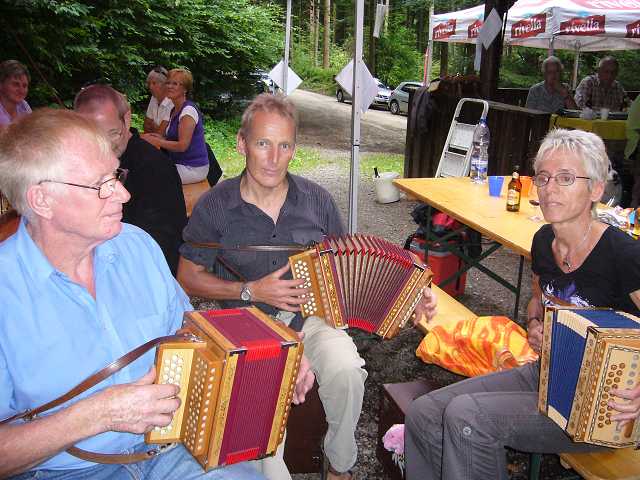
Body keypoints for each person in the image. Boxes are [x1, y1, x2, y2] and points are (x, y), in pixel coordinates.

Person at [0, 108, 313, 479]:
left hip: (172, 446)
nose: (124, 193)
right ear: (42, 200)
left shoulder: (136, 247)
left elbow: (192, 330)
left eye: (116, 175)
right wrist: (100, 414)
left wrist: (274, 352)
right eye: (102, 184)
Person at [177, 94, 437, 479]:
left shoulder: (317, 201)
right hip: (246, 326)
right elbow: (186, 275)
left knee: (348, 369)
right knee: (264, 416)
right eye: (263, 143)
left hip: (314, 317)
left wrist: (410, 292)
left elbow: (352, 269)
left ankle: (340, 466)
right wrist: (250, 290)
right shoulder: (215, 205)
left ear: (294, 149)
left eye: (284, 146)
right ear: (241, 143)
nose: (273, 158)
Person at [404, 128, 640, 480]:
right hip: (546, 374)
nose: (549, 188)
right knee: (424, 413)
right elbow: (537, 299)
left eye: (565, 178)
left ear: (596, 189)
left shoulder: (624, 255)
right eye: (542, 177)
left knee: (469, 418)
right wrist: (534, 326)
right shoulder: (545, 240)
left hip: (602, 411)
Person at [74, 84, 187, 276]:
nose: (105, 147)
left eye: (112, 134)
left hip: (142, 270)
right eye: (93, 137)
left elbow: (160, 244)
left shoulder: (153, 167)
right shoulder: (82, 163)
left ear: (126, 119)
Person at [141, 68, 209, 184]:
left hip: (193, 168)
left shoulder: (188, 111)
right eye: (168, 83)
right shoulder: (174, 109)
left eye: (175, 84)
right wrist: (153, 137)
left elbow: (182, 146)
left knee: (149, 176)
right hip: (179, 163)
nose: (170, 86)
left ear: (185, 89)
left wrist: (157, 141)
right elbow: (168, 138)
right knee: (143, 166)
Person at [0, 60, 31, 126]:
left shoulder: (24, 106)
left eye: (25, 86)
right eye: (15, 84)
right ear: (1, 85)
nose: (21, 90)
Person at [143, 66, 173, 135]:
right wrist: (157, 128)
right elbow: (146, 126)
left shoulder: (172, 102)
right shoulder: (154, 98)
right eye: (149, 83)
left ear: (165, 84)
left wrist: (154, 127)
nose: (150, 87)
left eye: (154, 83)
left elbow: (161, 133)